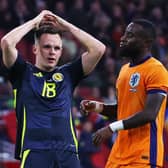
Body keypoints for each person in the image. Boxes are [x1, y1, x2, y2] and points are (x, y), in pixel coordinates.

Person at [0, 10, 106, 168]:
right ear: (35, 49)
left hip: (68, 152)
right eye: (47, 47)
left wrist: (66, 26)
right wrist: (34, 22)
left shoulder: (68, 74)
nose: (52, 52)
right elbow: (7, 43)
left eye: (57, 48)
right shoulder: (22, 72)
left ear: (61, 51)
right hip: (35, 151)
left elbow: (98, 49)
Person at [80, 19, 168, 168]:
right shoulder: (124, 70)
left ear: (146, 42)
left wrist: (111, 128)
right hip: (119, 155)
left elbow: (149, 114)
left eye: (130, 35)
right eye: (125, 34)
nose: (123, 38)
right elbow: (123, 111)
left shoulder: (157, 70)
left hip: (143, 156)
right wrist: (97, 107)